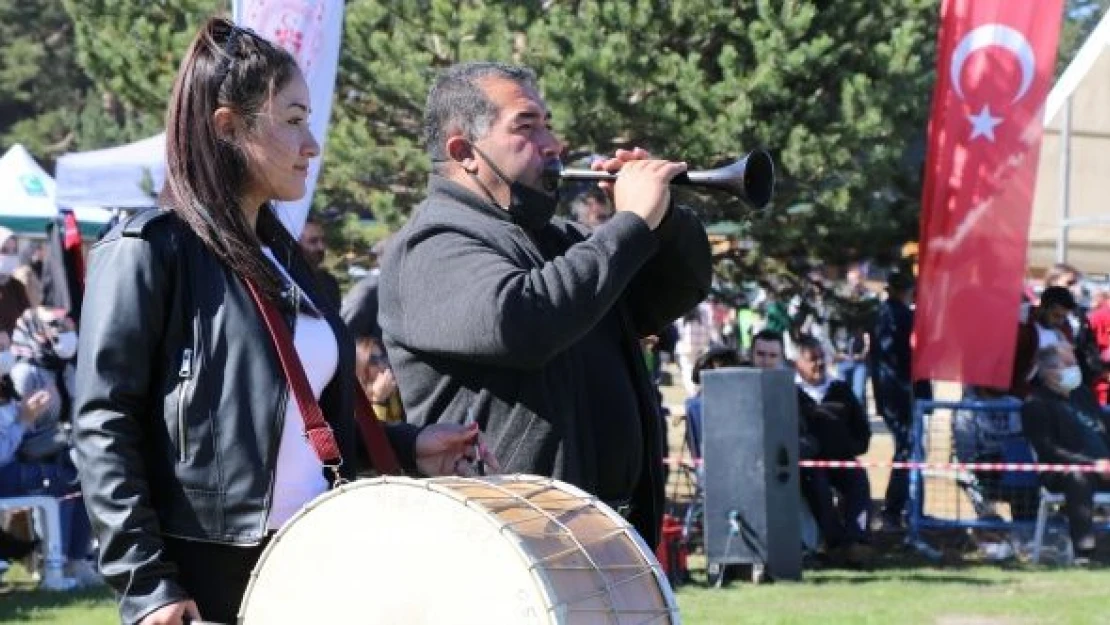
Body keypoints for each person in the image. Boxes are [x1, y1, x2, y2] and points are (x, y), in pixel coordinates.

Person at [72, 20, 496, 625]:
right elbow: (103, 425)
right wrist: (147, 585)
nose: (312, 144)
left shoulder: (286, 258)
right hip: (207, 575)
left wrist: (403, 447)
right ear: (228, 127)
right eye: (293, 120)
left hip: (314, 561)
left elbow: (297, 426)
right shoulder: (147, 249)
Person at [378, 61, 712, 549]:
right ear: (464, 152)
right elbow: (522, 322)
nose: (553, 144)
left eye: (548, 124)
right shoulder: (432, 244)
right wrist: (631, 223)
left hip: (601, 538)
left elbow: (678, 288)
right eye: (526, 126)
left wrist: (664, 221)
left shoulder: (560, 241)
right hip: (509, 548)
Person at [1021, 344, 1110, 564]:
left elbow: (1104, 428)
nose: (1076, 369)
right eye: (1069, 365)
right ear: (1050, 372)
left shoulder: (1083, 395)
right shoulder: (1036, 404)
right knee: (1076, 476)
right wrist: (1092, 464)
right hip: (1063, 472)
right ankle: (1084, 552)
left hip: (1105, 466)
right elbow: (1048, 449)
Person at [793, 335, 872, 567]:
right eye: (811, 359)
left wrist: (849, 447)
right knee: (819, 489)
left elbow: (862, 431)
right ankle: (835, 544)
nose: (818, 364)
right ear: (798, 364)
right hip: (810, 464)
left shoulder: (841, 390)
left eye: (821, 358)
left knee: (859, 481)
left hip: (842, 460)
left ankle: (857, 542)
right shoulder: (791, 393)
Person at [872, 270, 915, 528]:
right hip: (899, 392)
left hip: (890, 391)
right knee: (906, 450)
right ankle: (895, 509)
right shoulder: (899, 316)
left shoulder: (883, 315)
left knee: (906, 449)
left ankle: (898, 507)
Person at [1011, 286, 1077, 399]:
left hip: (1048, 395)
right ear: (1042, 306)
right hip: (1015, 393)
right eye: (1056, 315)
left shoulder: (1065, 330)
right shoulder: (1019, 323)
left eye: (1064, 317)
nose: (1060, 321)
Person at [354, 335, 403, 423]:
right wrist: (378, 400)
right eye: (373, 360)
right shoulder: (352, 400)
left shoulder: (392, 388)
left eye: (382, 358)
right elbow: (371, 433)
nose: (382, 365)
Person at [297, 215, 341, 310]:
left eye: (323, 240)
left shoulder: (329, 283)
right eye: (313, 241)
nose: (322, 247)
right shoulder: (284, 280)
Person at [0, 228, 31, 334]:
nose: (9, 256)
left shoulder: (16, 285)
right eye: (4, 250)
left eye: (14, 251)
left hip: (14, 348)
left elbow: (26, 315)